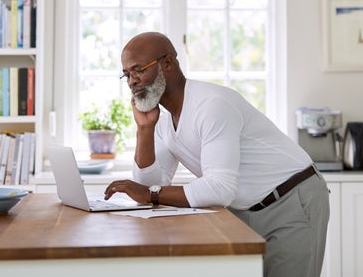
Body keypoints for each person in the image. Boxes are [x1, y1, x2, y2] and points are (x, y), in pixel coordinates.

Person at [104, 32, 329, 277]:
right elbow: (148, 187)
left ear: (167, 63)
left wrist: (149, 193)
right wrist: (144, 129)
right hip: (244, 208)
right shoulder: (162, 116)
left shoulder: (211, 105)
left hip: (290, 198)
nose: (131, 82)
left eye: (138, 70)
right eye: (126, 74)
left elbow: (219, 188)